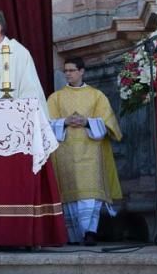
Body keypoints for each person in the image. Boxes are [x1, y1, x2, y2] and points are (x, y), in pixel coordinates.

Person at [46, 57, 122, 246]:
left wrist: (87, 122)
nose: (68, 74)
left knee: (90, 194)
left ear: (82, 71)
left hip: (91, 152)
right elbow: (46, 124)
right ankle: (73, 236)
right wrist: (64, 122)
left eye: (72, 70)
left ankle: (90, 232)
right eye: (66, 71)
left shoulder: (96, 96)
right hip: (65, 153)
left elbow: (108, 123)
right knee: (70, 194)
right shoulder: (56, 97)